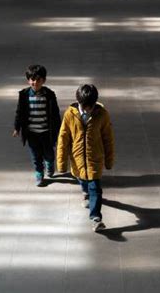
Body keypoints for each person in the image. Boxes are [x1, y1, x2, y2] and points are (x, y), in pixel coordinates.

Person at [57, 84, 115, 232]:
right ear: (79, 102)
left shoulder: (102, 115)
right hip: (77, 160)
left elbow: (108, 138)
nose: (88, 109)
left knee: (95, 187)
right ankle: (85, 192)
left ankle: (96, 218)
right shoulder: (70, 115)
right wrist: (62, 163)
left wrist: (109, 160)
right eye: (85, 106)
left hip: (95, 159)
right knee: (82, 180)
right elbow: (63, 138)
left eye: (91, 106)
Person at [13, 64, 61, 186]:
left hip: (46, 132)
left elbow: (55, 113)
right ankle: (39, 172)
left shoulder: (49, 95)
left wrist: (59, 129)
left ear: (44, 80)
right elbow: (20, 112)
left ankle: (49, 163)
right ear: (28, 80)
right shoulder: (24, 95)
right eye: (32, 79)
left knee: (49, 153)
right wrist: (17, 128)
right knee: (35, 155)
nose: (35, 82)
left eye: (38, 80)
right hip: (31, 133)